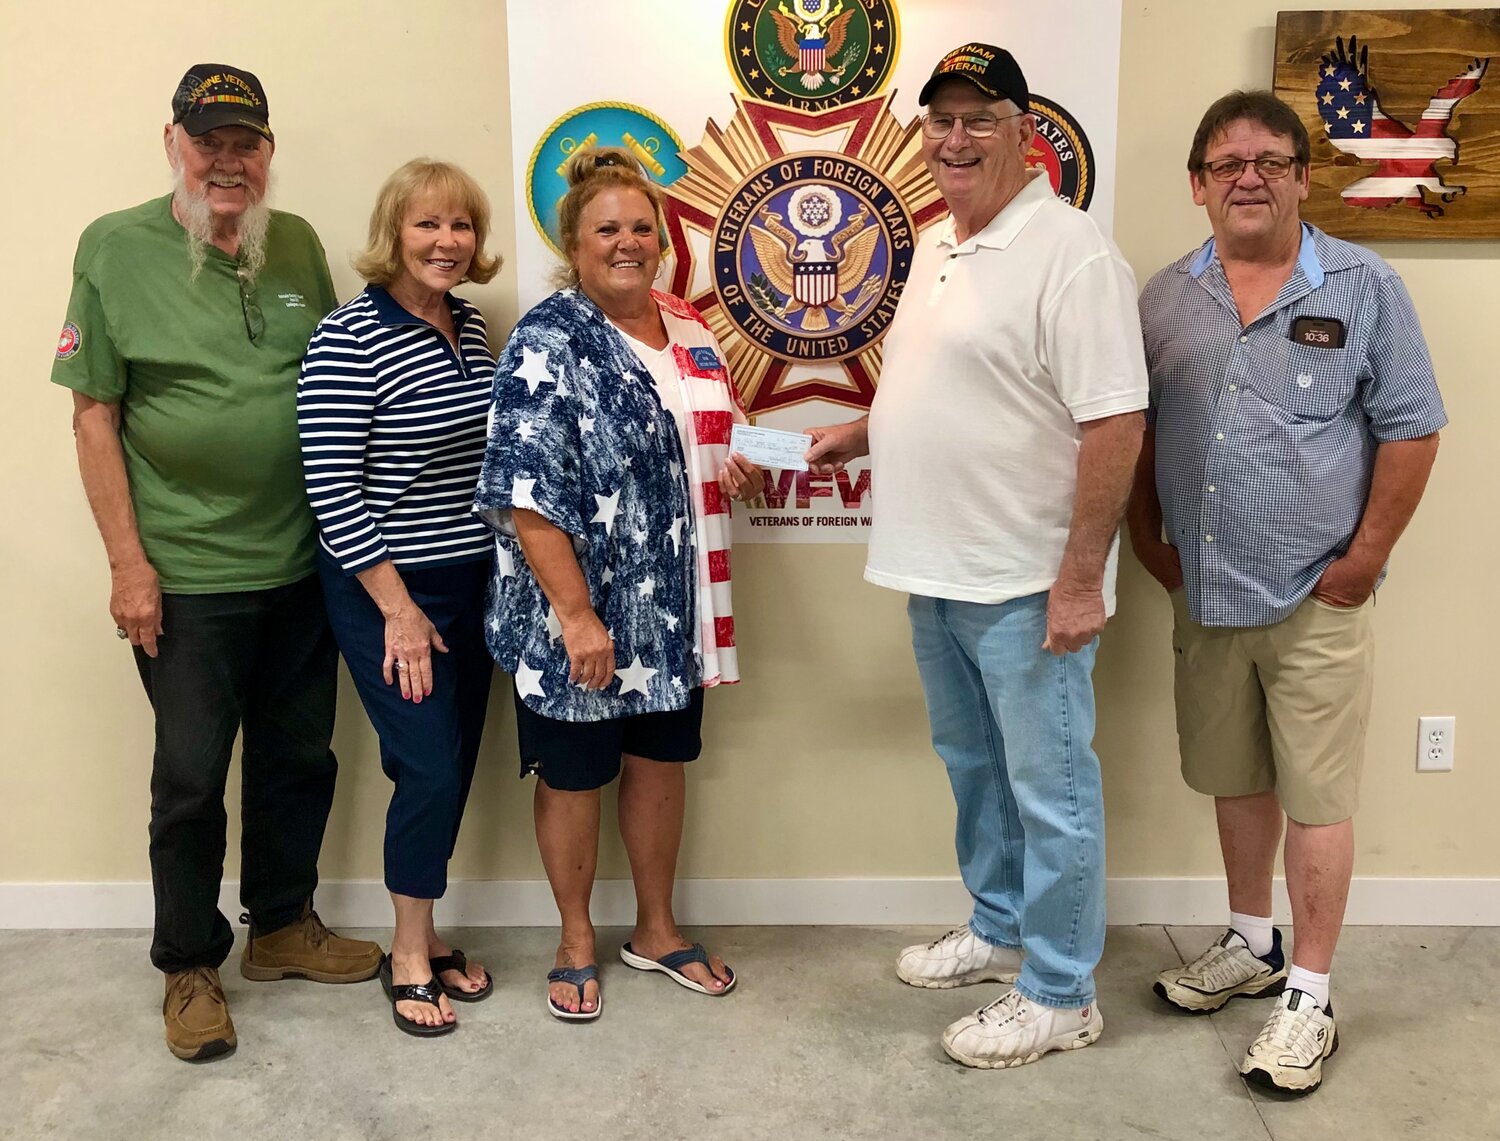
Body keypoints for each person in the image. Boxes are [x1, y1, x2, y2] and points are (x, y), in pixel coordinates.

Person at [804, 43, 1148, 1068]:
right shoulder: (940, 245)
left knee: (1051, 789)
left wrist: (1081, 577)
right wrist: (861, 433)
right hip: (936, 570)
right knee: (976, 771)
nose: (956, 138)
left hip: (1026, 581)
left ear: (1024, 133)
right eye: (941, 120)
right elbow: (963, 383)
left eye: (980, 118)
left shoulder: (1072, 251)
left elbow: (1116, 424)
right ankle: (1001, 926)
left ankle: (1059, 992)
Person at [52, 64, 381, 1063]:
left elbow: (333, 382)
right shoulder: (114, 246)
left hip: (301, 560)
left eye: (246, 142)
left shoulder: (299, 245)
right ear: (175, 144)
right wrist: (127, 566)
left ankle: (281, 926)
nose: (227, 160)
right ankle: (190, 963)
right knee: (192, 777)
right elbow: (93, 413)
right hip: (186, 574)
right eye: (210, 141)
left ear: (268, 152)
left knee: (298, 759)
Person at [1129, 90, 1445, 1095]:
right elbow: (1132, 430)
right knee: (1236, 773)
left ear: (1306, 177)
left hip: (1318, 595)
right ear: (1198, 185)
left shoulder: (1364, 285)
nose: (1249, 177)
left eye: (1270, 159)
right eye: (1227, 164)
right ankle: (1251, 940)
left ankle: (1309, 990)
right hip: (1207, 588)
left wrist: (1363, 559)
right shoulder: (1165, 298)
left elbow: (1413, 428)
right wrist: (1144, 533)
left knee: (1315, 793)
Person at [473, 146, 763, 1021]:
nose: (629, 241)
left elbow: (712, 432)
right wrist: (576, 613)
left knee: (661, 761)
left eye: (643, 226)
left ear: (664, 238)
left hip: (672, 610)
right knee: (573, 772)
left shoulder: (690, 328)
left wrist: (735, 458)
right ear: (576, 241)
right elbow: (523, 492)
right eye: (609, 228)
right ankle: (573, 939)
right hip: (581, 615)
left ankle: (658, 929)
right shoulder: (547, 338)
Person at [297, 159, 501, 1036]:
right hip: (387, 590)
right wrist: (399, 608)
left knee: (451, 759)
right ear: (394, 233)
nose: (446, 242)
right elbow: (332, 488)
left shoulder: (474, 324)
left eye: (460, 226)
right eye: (427, 225)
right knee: (428, 765)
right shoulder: (347, 337)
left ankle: (426, 925)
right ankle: (409, 952)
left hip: (474, 582)